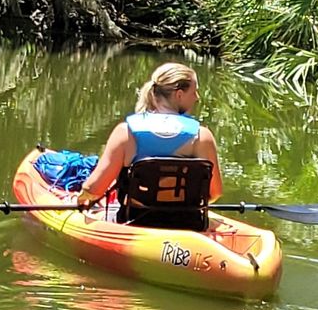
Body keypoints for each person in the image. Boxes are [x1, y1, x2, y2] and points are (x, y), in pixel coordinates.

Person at [77, 63, 224, 211]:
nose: (197, 98)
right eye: (194, 92)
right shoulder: (202, 136)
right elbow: (215, 192)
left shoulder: (126, 132)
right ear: (179, 95)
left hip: (134, 219)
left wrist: (81, 198)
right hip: (188, 219)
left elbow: (94, 189)